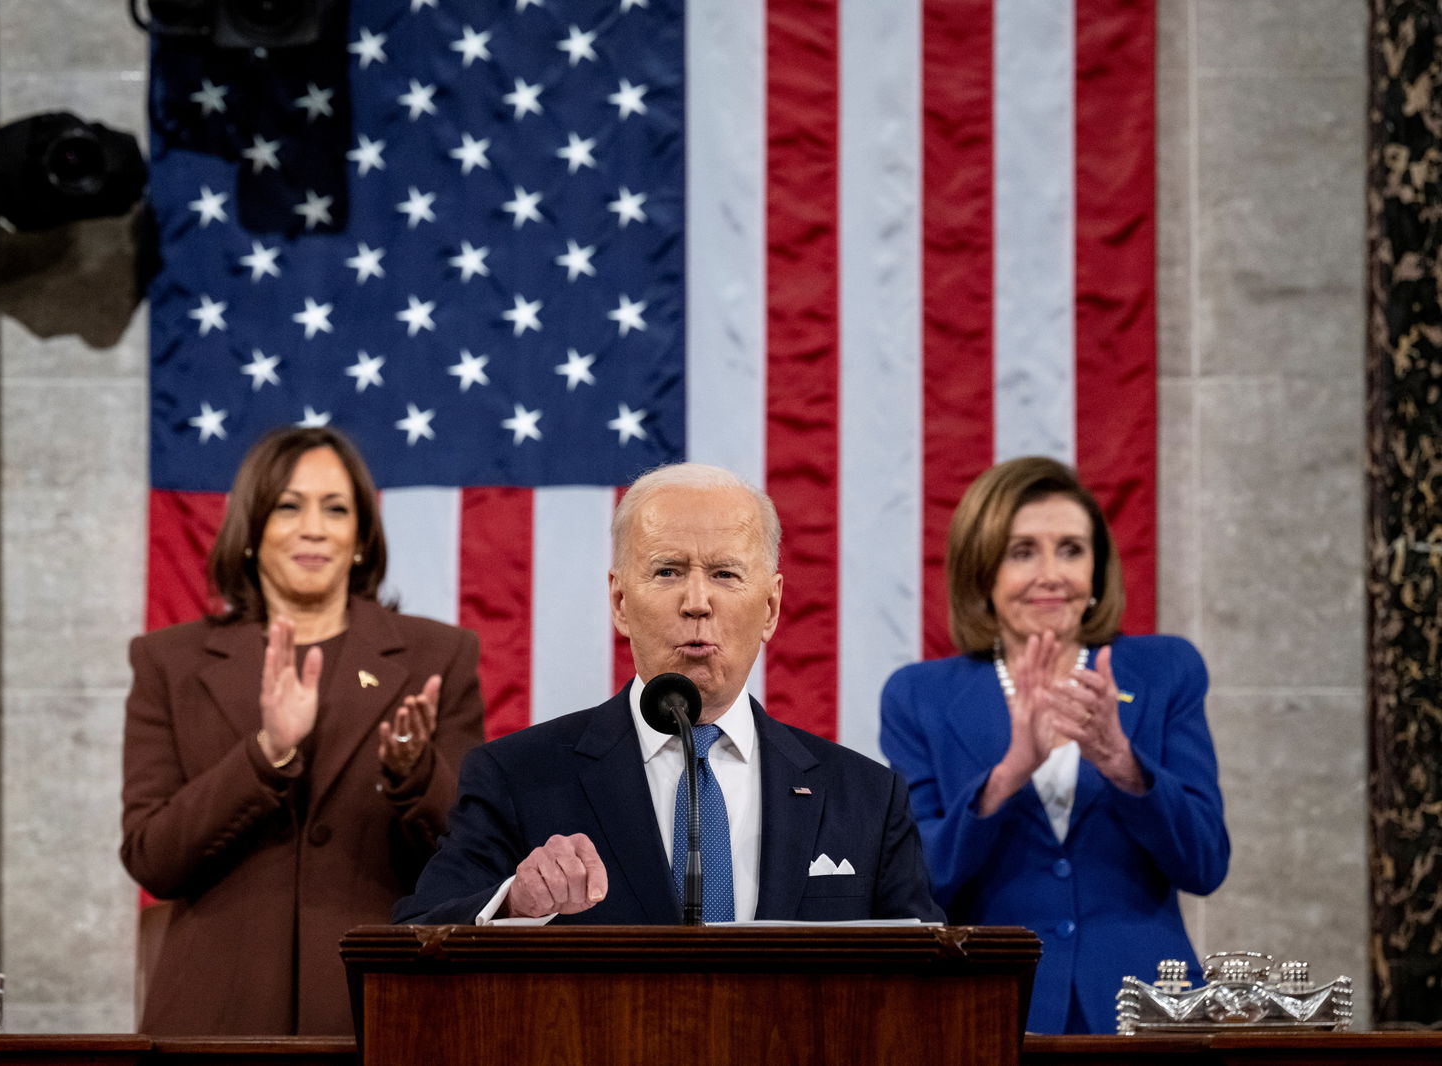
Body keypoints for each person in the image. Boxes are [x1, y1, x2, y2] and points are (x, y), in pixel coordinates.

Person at [393, 462, 943, 926]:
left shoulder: (867, 798)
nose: (697, 601)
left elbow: (930, 983)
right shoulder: (518, 777)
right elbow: (417, 938)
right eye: (667, 571)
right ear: (620, 601)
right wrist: (514, 903)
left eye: (726, 574)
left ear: (771, 608)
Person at [120, 426, 484, 1034]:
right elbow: (153, 858)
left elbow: (472, 860)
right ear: (252, 529)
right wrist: (267, 754)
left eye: (335, 509)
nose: (314, 527)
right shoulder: (169, 662)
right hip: (215, 1019)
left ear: (361, 538)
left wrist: (413, 773)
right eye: (289, 506)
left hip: (380, 1013)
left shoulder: (437, 657)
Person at [879, 456, 1228, 1034]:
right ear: (982, 572)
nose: (1051, 574)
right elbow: (917, 888)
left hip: (1145, 1014)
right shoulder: (920, 697)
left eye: (1071, 549)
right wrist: (1010, 774)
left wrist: (1123, 765)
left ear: (1097, 569)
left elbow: (1206, 863)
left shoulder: (1165, 671)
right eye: (1023, 552)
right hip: (988, 1012)